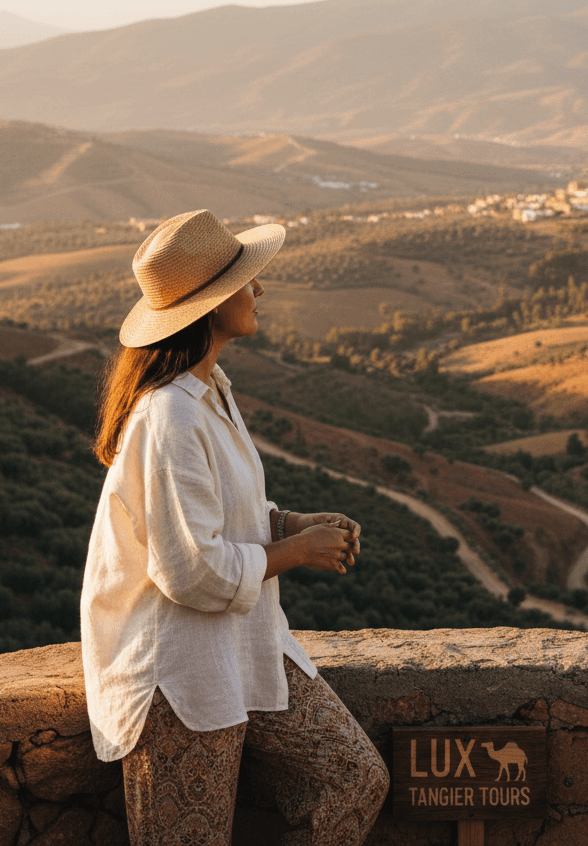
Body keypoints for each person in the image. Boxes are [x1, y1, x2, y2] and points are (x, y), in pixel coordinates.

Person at [81, 209, 389, 845]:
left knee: (354, 778)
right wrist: (297, 551)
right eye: (247, 282)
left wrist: (288, 523)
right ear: (212, 305)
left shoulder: (209, 390)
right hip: (181, 674)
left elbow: (216, 520)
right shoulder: (171, 418)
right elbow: (191, 570)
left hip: (243, 650)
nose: (260, 291)